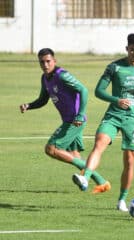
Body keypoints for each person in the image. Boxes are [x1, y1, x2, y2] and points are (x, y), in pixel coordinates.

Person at [72, 33, 134, 212]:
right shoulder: (114, 67)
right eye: (133, 49)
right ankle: (86, 177)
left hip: (133, 121)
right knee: (99, 143)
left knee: (129, 161)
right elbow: (98, 91)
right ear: (127, 48)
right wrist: (116, 100)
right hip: (113, 115)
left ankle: (122, 200)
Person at [19, 48, 110, 193]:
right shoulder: (45, 78)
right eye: (42, 62)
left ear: (54, 61)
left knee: (51, 149)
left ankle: (100, 180)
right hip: (68, 120)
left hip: (74, 121)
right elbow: (43, 99)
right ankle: (99, 182)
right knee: (74, 154)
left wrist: (80, 114)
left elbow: (83, 90)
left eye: (48, 61)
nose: (45, 65)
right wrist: (29, 106)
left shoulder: (63, 76)